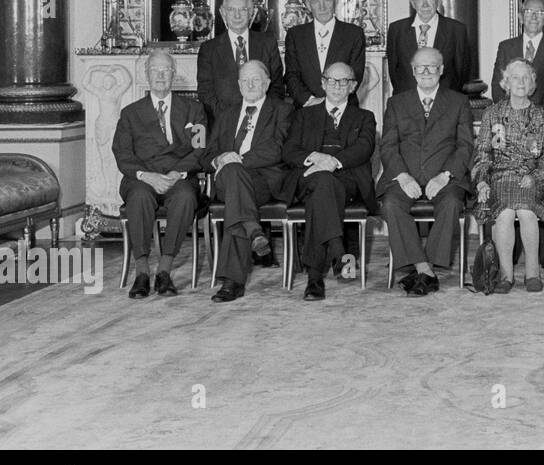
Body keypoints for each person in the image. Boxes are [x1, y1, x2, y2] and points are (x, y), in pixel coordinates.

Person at [378, 46, 474, 296]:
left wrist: (445, 176)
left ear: (441, 70)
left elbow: (465, 146)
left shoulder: (458, 101)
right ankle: (426, 269)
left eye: (432, 66)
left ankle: (423, 269)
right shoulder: (396, 103)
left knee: (452, 202)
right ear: (413, 71)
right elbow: (387, 146)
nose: (427, 71)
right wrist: (402, 176)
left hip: (445, 176)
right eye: (421, 67)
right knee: (390, 204)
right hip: (404, 176)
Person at [111, 51, 206, 298]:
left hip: (180, 177)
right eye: (155, 70)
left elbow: (201, 148)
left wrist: (178, 173)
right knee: (140, 197)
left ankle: (164, 270)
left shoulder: (194, 110)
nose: (161, 75)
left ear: (174, 74)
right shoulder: (130, 113)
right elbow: (122, 153)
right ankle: (142, 271)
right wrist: (146, 175)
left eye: (166, 70)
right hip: (142, 177)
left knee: (186, 197)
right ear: (147, 75)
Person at [282, 61, 377, 301]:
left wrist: (333, 161)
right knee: (322, 183)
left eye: (344, 81)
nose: (337, 86)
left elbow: (364, 149)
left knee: (322, 192)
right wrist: (314, 157)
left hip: (347, 180)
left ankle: (315, 278)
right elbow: (289, 150)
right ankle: (337, 249)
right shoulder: (304, 115)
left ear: (353, 86)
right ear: (323, 83)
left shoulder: (365, 116)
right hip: (309, 177)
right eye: (332, 80)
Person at [205, 60, 294, 303]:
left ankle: (232, 282)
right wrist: (220, 159)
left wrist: (237, 160)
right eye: (245, 80)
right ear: (238, 84)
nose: (250, 84)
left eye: (256, 79)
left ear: (267, 83)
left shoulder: (283, 110)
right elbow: (206, 153)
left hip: (264, 180)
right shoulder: (226, 113)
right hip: (227, 179)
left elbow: (277, 150)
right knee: (233, 176)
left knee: (237, 192)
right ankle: (254, 231)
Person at [471, 58, 544, 294]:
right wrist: (481, 181)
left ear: (532, 84)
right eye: (515, 77)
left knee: (527, 212)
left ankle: (532, 273)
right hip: (499, 177)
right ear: (505, 83)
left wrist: (537, 176)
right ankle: (506, 276)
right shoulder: (492, 114)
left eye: (526, 77)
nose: (521, 82)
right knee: (505, 213)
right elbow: (482, 154)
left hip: (532, 178)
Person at [196, 0, 284, 123]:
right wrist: (227, 119)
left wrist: (264, 116)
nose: (237, 15)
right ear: (223, 13)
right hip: (223, 125)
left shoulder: (268, 43)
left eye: (243, 9)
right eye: (231, 9)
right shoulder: (209, 49)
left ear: (251, 13)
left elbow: (277, 86)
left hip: (264, 124)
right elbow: (205, 93)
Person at [284, 0, 366, 108]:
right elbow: (291, 75)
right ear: (309, 5)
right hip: (306, 110)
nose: (322, 7)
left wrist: (331, 102)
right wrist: (310, 101)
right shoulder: (295, 35)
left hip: (344, 109)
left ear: (336, 1)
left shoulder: (353, 34)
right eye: (316, 2)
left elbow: (355, 75)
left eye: (327, 0)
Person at [387, 0, 473, 96]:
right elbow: (394, 73)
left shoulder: (456, 30)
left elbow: (461, 73)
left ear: (438, 0)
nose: (425, 4)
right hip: (406, 106)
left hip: (445, 105)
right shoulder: (396, 30)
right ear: (412, 3)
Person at [489, 0, 544, 117]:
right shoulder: (505, 47)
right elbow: (497, 86)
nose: (534, 17)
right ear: (520, 17)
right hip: (510, 121)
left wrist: (533, 115)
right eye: (528, 12)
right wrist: (512, 114)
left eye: (540, 13)